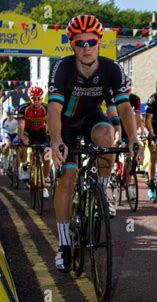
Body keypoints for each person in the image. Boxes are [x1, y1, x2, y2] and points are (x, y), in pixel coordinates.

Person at [47, 14, 138, 272]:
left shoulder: (111, 69)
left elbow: (123, 106)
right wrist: (55, 141)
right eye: (79, 43)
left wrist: (133, 139)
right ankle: (64, 245)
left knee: (107, 138)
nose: (86, 47)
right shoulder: (62, 68)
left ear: (99, 43)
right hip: (66, 124)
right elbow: (53, 109)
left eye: (91, 42)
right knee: (68, 178)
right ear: (72, 45)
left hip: (91, 120)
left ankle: (103, 190)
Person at [17, 85, 50, 192]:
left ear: (42, 98)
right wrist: (21, 139)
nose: (36, 101)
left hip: (41, 132)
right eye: (33, 98)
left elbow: (49, 123)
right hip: (28, 131)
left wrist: (49, 137)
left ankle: (45, 180)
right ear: (29, 98)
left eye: (38, 98)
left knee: (46, 157)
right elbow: (21, 125)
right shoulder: (23, 108)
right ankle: (25, 166)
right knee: (24, 142)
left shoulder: (46, 108)